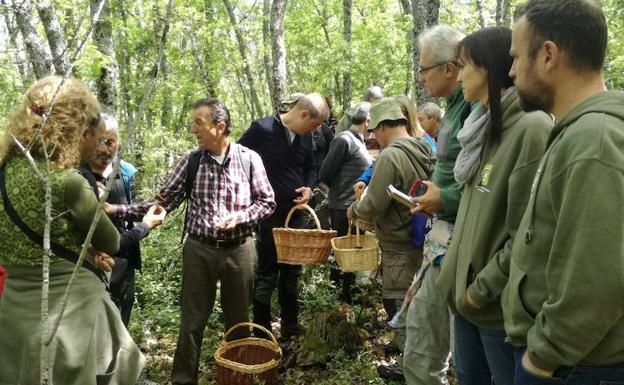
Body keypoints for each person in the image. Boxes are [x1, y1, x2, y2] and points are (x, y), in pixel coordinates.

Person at [108, 98, 276, 385]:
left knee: (238, 323)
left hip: (240, 250)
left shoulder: (249, 159)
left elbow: (267, 201)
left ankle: (236, 378)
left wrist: (241, 218)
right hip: (199, 250)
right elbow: (163, 202)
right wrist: (119, 210)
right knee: (191, 322)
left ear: (219, 126)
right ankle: (183, 380)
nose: (193, 129)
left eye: (199, 123)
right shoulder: (192, 160)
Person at [502, 1, 624, 384]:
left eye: (517, 57)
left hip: (575, 367)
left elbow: (597, 279)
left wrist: (543, 357)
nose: (511, 71)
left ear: (549, 55)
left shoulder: (594, 141)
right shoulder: (580, 131)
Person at [0, 76, 144, 385]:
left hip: (14, 316)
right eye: (90, 131)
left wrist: (81, 248)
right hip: (71, 314)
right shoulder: (66, 182)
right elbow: (111, 240)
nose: (95, 142)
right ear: (74, 131)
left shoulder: (3, 173)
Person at [435, 27, 552, 385]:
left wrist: (478, 291)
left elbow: (528, 233)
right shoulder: (482, 127)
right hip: (467, 304)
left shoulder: (531, 128)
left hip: (495, 310)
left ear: (487, 68)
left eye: (465, 65)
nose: (460, 75)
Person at [401, 24, 473, 385]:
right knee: (423, 338)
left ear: (450, 68)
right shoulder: (456, 109)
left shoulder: (480, 110)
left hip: (462, 246)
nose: (420, 76)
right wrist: (437, 192)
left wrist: (443, 197)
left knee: (461, 352)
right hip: (441, 238)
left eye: (424, 68)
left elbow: (494, 190)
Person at [238, 93, 329, 339]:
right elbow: (236, 161)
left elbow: (310, 167)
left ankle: (290, 325)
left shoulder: (306, 136)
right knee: (267, 272)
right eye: (315, 123)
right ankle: (262, 329)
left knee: (292, 272)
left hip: (296, 216)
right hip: (268, 216)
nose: (317, 128)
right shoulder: (262, 129)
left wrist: (309, 188)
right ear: (303, 114)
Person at [347, 97, 434, 325]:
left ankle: (405, 358)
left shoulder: (389, 156)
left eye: (375, 131)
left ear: (383, 126)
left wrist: (355, 209)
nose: (374, 136)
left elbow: (374, 203)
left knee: (399, 307)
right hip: (423, 238)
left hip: (398, 243)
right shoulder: (424, 146)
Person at [78, 112, 164, 326]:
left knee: (120, 326)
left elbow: (131, 211)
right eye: (98, 141)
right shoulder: (76, 174)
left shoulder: (125, 172)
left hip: (123, 262)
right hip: (88, 264)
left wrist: (143, 223)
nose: (103, 148)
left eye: (110, 141)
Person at [319, 102, 373, 304]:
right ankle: (337, 298)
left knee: (353, 253)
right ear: (367, 121)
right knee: (342, 253)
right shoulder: (344, 140)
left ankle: (346, 296)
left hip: (356, 208)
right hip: (342, 207)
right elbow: (325, 173)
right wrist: (340, 192)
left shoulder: (359, 141)